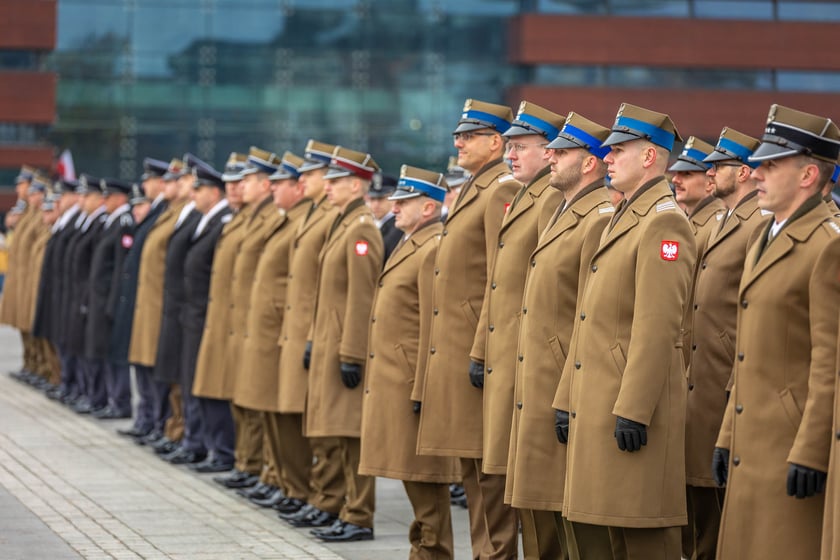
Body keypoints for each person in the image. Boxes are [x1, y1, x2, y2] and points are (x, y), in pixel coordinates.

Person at [554, 102, 696, 559]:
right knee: (609, 535)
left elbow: (658, 326)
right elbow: (589, 318)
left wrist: (634, 410)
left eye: (619, 150)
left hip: (628, 405)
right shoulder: (627, 214)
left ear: (650, 156)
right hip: (599, 398)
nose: (608, 157)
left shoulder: (664, 220)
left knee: (642, 536)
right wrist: (566, 397)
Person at [712, 104, 840, 560]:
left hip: (788, 445)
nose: (756, 173)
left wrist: (811, 451)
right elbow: (746, 357)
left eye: (770, 165)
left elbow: (829, 362)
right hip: (752, 440)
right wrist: (727, 434)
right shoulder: (765, 235)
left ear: (808, 175)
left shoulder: (826, 245)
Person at [508, 112, 615, 560]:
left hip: (562, 380)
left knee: (564, 513)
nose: (550, 157)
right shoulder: (559, 209)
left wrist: (567, 390)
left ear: (589, 162)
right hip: (539, 376)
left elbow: (589, 314)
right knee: (537, 503)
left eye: (562, 152)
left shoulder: (598, 217)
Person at [416, 98, 520, 560]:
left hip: (478, 351)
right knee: (472, 465)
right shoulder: (477, 188)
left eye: (469, 136)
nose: (458, 143)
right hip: (460, 348)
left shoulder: (500, 189)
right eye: (458, 135)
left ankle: (493, 554)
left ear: (496, 142)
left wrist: (481, 350)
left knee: (486, 468)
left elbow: (500, 277)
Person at [472, 101, 566, 559]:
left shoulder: (549, 198)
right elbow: (498, 281)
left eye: (520, 146)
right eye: (509, 146)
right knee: (506, 471)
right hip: (507, 351)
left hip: (528, 356)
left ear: (549, 151)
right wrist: (480, 349)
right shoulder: (527, 193)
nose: (510, 155)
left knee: (531, 478)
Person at [359, 164, 459, 558]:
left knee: (425, 479)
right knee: (413, 477)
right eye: (396, 201)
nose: (394, 207)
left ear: (429, 208)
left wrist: (423, 386)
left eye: (405, 201)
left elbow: (436, 325)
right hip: (398, 379)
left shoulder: (433, 246)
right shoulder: (411, 241)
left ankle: (433, 553)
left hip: (413, 382)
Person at [682, 127, 766, 560]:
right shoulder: (724, 219)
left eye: (719, 166)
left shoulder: (756, 224)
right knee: (700, 514)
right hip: (703, 380)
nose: (709, 172)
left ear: (744, 172)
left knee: (717, 517)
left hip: (724, 381)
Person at [302, 145, 384, 543]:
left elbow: (361, 297)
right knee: (334, 431)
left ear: (356, 185)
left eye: (336, 181)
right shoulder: (343, 222)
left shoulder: (361, 227)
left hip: (344, 347)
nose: (328, 187)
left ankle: (358, 514)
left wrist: (352, 353)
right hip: (329, 342)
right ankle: (340, 506)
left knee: (351, 434)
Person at [232, 151, 309, 508]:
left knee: (280, 410)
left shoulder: (299, 221)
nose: (274, 188)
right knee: (265, 405)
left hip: (282, 329)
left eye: (280, 183)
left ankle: (288, 482)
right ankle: (275, 476)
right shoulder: (284, 219)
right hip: (267, 328)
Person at [276, 140, 344, 526]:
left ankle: (323, 497)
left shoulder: (332, 216)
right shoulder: (313, 213)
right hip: (300, 331)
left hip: (319, 333)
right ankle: (302, 491)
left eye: (312, 174)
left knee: (321, 424)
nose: (303, 181)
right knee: (299, 418)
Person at [214, 146, 282, 489]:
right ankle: (247, 464)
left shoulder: (271, 218)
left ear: (266, 184)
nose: (240, 186)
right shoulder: (248, 216)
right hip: (240, 322)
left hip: (259, 324)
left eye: (249, 180)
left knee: (258, 402)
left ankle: (262, 470)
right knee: (241, 399)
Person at [191, 152, 248, 475]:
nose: (234, 188)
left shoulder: (238, 219)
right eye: (230, 183)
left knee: (234, 395)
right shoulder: (235, 219)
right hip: (217, 318)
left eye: (241, 182)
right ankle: (226, 455)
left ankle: (233, 457)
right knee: (212, 388)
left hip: (236, 322)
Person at [130, 158, 190, 452]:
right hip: (153, 305)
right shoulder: (168, 212)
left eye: (174, 181)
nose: (167, 186)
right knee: (153, 371)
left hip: (166, 307)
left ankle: (170, 427)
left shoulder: (182, 214)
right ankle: (159, 424)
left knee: (168, 374)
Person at [178, 160, 232, 471]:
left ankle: (217, 449)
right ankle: (201, 443)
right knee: (195, 382)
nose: (193, 194)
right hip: (195, 316)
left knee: (210, 386)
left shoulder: (223, 221)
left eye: (198, 189)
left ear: (213, 192)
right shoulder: (207, 220)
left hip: (208, 317)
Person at [112, 158, 170, 439]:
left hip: (155, 306)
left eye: (148, 180)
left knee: (153, 370)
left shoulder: (163, 213)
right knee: (142, 367)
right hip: (140, 303)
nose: (144, 184)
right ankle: (147, 421)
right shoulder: (154, 215)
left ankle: (157, 424)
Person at [669, 137, 727, 368]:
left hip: (700, 355)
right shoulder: (690, 222)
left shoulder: (715, 226)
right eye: (676, 173)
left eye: (687, 174)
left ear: (710, 181)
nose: (676, 180)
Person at [86, 177, 134, 419]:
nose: (104, 201)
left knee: (115, 353)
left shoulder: (124, 223)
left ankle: (120, 401)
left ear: (121, 198)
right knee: (104, 351)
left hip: (112, 300)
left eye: (109, 196)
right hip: (103, 299)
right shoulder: (111, 221)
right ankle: (111, 400)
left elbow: (121, 269)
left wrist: (115, 302)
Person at [365, 172, 401, 262]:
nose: (376, 204)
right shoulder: (369, 222)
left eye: (381, 199)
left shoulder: (398, 229)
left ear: (393, 198)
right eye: (372, 199)